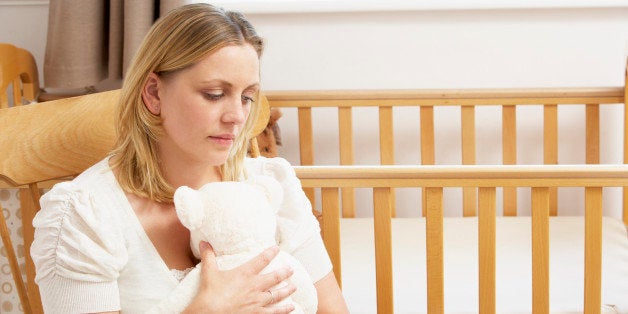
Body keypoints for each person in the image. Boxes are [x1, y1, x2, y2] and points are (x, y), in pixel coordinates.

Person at [30, 3, 349, 313]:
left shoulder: (269, 184)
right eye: (214, 94)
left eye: (247, 96)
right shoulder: (84, 216)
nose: (236, 116)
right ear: (154, 94)